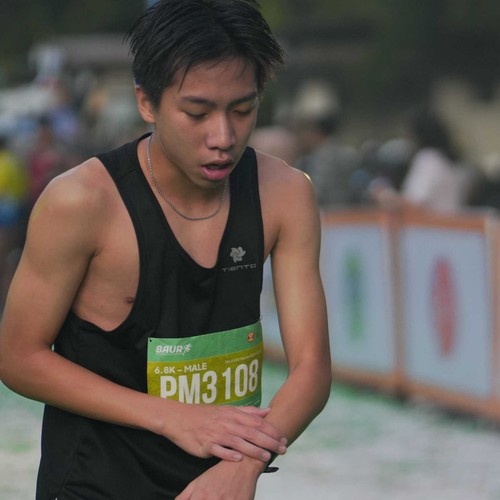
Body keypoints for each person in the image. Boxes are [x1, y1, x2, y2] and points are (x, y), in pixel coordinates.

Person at [0, 1, 331, 499]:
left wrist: (245, 465)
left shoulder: (286, 193)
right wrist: (175, 417)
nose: (223, 137)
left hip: (218, 484)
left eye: (243, 110)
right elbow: (17, 356)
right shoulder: (81, 201)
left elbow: (312, 368)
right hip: (92, 484)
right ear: (147, 103)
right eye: (197, 113)